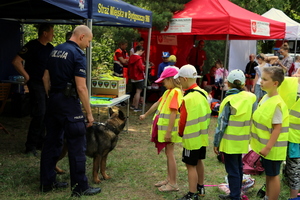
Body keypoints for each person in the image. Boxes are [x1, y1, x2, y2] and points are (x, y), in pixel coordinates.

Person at [40, 25, 101, 197]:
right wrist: (88, 113)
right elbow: (81, 87)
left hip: (53, 101)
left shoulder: (55, 50)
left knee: (51, 143)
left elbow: (45, 77)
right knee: (76, 144)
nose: (88, 45)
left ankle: (47, 182)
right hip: (69, 103)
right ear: (81, 37)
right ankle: (80, 187)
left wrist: (51, 95)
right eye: (89, 41)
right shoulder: (77, 54)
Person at [11, 23, 55, 156]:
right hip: (35, 83)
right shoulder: (31, 45)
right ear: (45, 33)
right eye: (52, 32)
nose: (53, 35)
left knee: (45, 113)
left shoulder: (51, 48)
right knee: (39, 112)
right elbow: (16, 61)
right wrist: (26, 76)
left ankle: (40, 143)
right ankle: (30, 146)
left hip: (46, 84)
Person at [213, 69, 256, 200]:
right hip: (243, 141)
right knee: (238, 168)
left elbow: (221, 125)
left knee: (232, 170)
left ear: (229, 84)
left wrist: (216, 142)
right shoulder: (251, 98)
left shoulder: (228, 100)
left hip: (229, 142)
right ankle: (235, 194)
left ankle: (234, 196)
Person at [139, 67, 183, 192]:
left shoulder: (175, 92)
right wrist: (145, 114)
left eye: (164, 80)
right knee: (168, 154)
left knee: (170, 154)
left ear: (171, 79)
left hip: (169, 130)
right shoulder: (168, 92)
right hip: (165, 130)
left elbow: (174, 113)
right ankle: (169, 179)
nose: (162, 83)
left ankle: (173, 184)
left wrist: (168, 132)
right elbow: (157, 104)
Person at [250, 66, 289, 200]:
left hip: (272, 149)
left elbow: (277, 128)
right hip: (265, 147)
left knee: (273, 176)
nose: (261, 81)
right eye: (261, 78)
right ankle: (267, 196)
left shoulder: (276, 104)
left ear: (275, 83)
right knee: (269, 174)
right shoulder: (266, 97)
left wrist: (267, 147)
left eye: (265, 79)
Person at [175, 64, 211, 200]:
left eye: (179, 80)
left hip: (191, 138)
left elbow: (183, 120)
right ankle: (200, 187)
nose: (178, 82)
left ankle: (192, 194)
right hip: (202, 136)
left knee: (190, 165)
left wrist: (180, 132)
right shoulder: (203, 93)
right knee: (199, 161)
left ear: (184, 79)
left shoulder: (187, 98)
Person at [277, 76, 300, 200]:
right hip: (281, 133)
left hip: (294, 137)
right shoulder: (287, 82)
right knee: (276, 165)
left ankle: (294, 197)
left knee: (294, 168)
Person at [128, 45, 145, 112]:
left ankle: (133, 105)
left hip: (132, 76)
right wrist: (144, 67)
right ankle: (136, 106)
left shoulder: (131, 57)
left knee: (135, 91)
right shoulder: (138, 58)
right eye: (142, 52)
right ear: (140, 50)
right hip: (139, 77)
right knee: (138, 91)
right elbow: (141, 68)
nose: (142, 54)